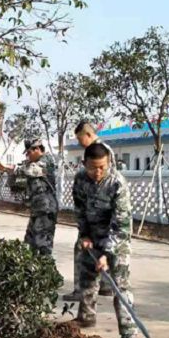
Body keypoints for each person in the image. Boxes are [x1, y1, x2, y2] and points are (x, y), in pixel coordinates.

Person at [72, 142, 138, 338]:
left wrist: (107, 255)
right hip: (93, 236)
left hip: (117, 240)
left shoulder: (117, 183)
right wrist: (84, 235)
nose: (98, 172)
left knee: (120, 287)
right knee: (87, 279)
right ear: (84, 164)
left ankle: (129, 333)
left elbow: (121, 225)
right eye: (93, 167)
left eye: (103, 167)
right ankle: (86, 318)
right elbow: (80, 210)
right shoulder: (80, 180)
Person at [63, 121, 112, 302]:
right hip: (96, 212)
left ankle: (81, 290)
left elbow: (105, 181)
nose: (79, 142)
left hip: (101, 212)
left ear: (88, 135)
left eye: (79, 138)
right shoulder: (97, 151)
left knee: (84, 249)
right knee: (99, 248)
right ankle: (105, 286)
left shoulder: (101, 151)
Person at [0, 138, 58, 256]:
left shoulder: (47, 161)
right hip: (37, 209)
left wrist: (7, 167)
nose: (27, 156)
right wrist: (3, 168)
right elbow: (20, 171)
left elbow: (31, 170)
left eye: (29, 152)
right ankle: (31, 271)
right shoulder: (32, 163)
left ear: (37, 149)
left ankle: (46, 271)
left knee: (43, 246)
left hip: (46, 210)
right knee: (29, 243)